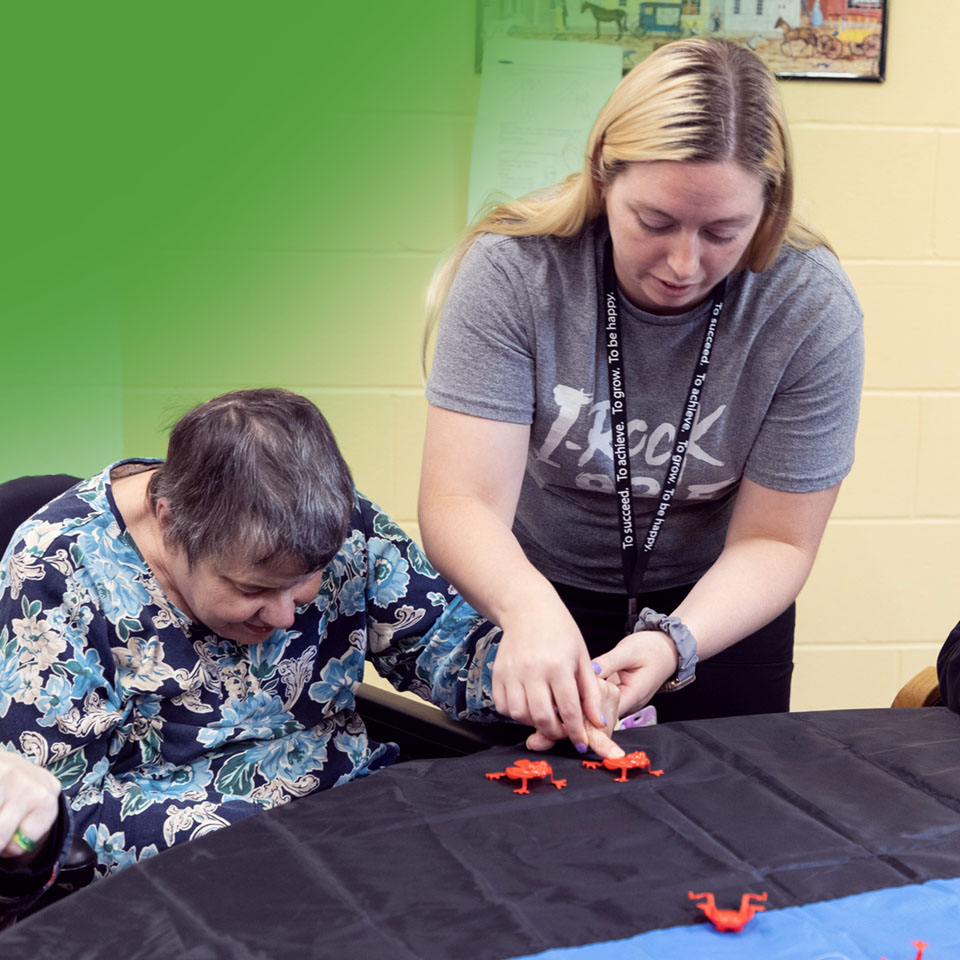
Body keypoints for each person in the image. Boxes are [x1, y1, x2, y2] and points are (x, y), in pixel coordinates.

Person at [0, 389, 621, 923]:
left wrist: (545, 683)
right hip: (187, 876)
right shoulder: (56, 573)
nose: (286, 616)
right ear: (169, 521)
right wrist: (267, 837)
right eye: (252, 589)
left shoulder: (337, 524)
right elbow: (59, 815)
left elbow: (442, 645)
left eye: (307, 581)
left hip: (359, 824)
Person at [419, 38, 863, 747]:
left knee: (727, 827)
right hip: (534, 594)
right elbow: (460, 501)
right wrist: (528, 610)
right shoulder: (515, 271)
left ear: (767, 207)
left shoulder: (809, 305)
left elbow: (777, 539)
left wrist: (673, 642)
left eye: (723, 231)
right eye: (653, 222)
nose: (685, 264)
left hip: (718, 608)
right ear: (602, 178)